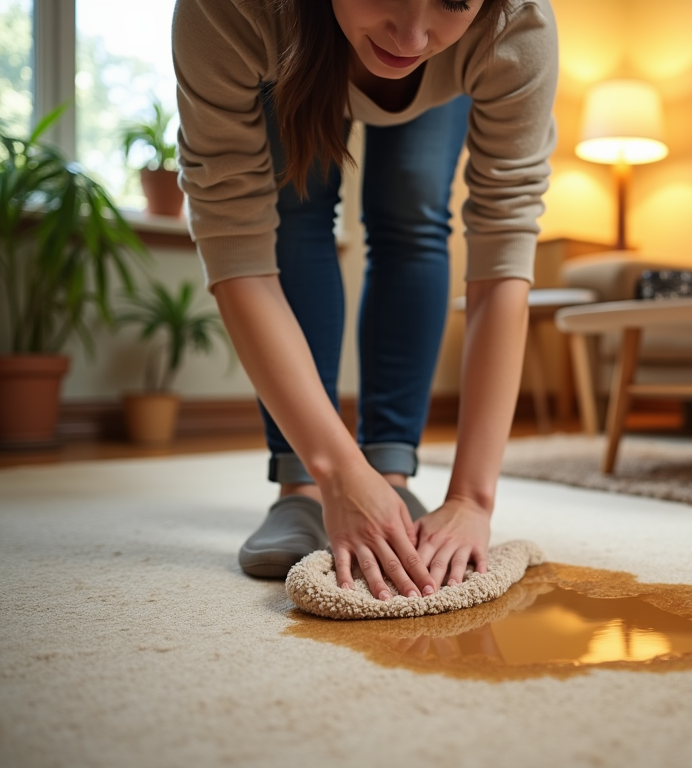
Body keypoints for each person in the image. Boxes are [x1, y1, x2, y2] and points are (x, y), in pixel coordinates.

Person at [171, 0, 557, 599]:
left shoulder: (516, 23)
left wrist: (471, 500)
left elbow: (502, 255)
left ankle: (390, 472)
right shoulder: (229, 10)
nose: (412, 35)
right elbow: (238, 248)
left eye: (454, 1)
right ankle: (302, 485)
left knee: (412, 210)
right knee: (293, 209)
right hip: (290, 31)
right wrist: (335, 473)